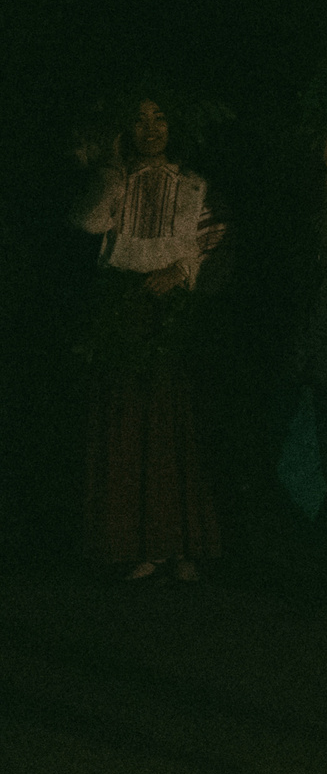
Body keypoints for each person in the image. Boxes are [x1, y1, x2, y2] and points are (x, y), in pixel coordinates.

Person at [72, 95, 228, 581]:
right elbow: (88, 221)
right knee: (127, 421)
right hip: (123, 309)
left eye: (159, 117)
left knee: (169, 422)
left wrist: (181, 272)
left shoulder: (193, 183)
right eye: (139, 120)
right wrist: (109, 169)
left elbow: (215, 240)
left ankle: (179, 546)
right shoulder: (117, 178)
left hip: (172, 314)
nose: (151, 127)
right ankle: (138, 545)